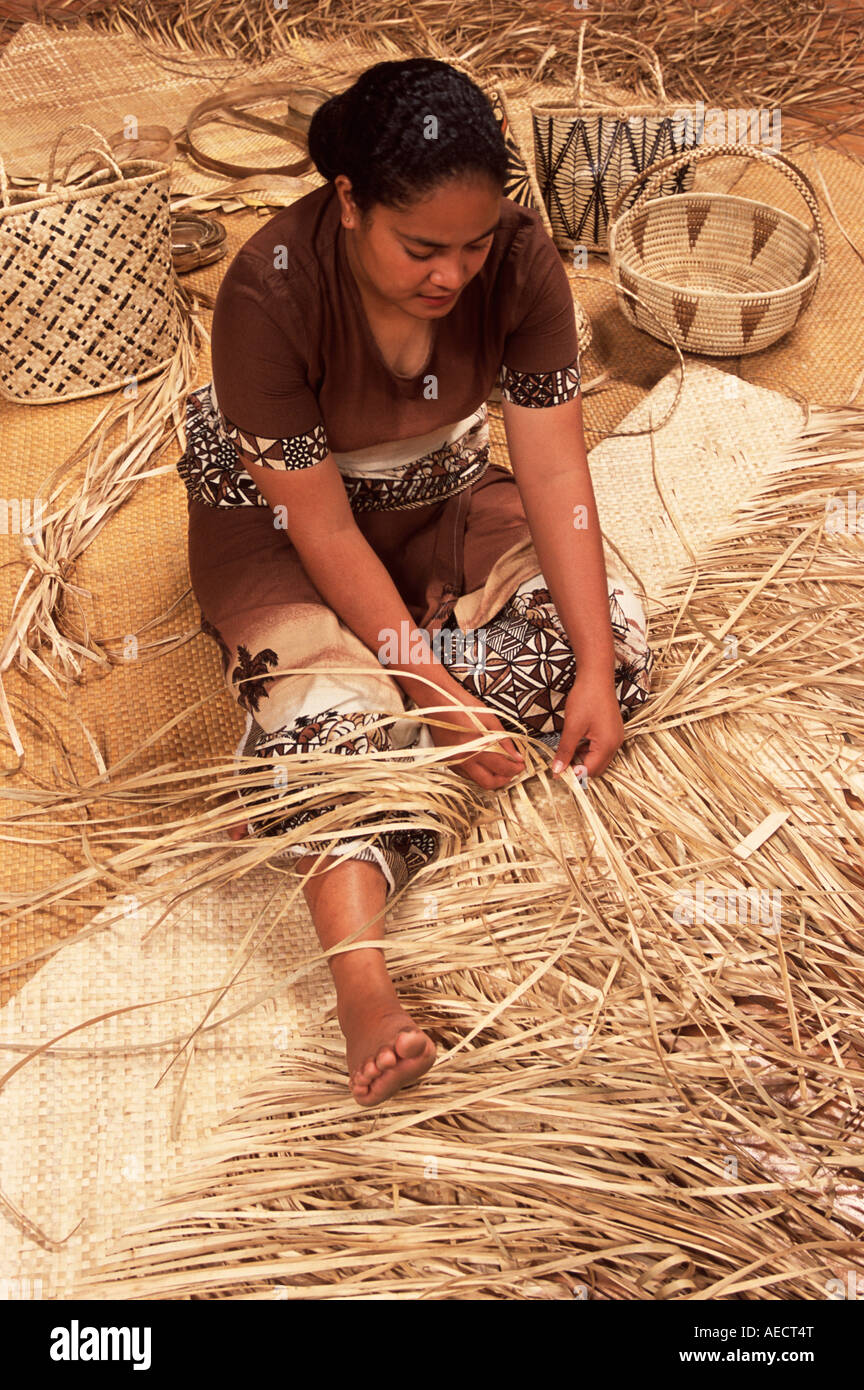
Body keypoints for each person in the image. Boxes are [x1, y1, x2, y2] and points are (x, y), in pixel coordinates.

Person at [177, 57, 654, 1109]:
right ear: (349, 203)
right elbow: (323, 527)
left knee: (611, 635)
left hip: (440, 499)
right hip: (290, 537)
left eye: (476, 244)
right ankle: (362, 989)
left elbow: (556, 468)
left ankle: (380, 732)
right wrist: (435, 696)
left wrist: (592, 668)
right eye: (422, 248)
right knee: (331, 719)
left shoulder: (523, 266)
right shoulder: (268, 290)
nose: (455, 275)